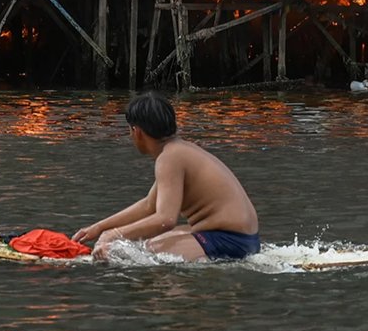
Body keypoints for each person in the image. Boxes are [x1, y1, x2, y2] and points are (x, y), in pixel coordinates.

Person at [72, 91, 260, 262]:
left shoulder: (169, 158)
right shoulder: (177, 151)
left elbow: (165, 219)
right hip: (242, 238)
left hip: (232, 241)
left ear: (136, 131)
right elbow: (149, 205)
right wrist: (98, 228)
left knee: (149, 250)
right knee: (147, 242)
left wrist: (113, 235)